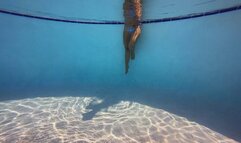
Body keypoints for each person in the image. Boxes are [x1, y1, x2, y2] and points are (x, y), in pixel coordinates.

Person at [123, 0, 142, 74]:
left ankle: (133, 52)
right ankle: (126, 66)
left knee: (130, 45)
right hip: (126, 27)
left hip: (136, 27)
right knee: (126, 47)